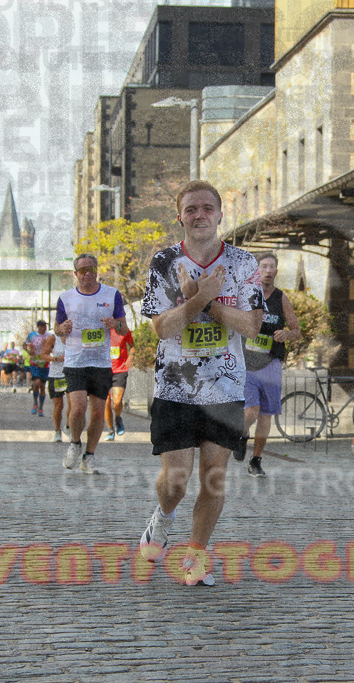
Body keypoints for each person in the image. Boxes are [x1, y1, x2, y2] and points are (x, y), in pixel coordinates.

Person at [138, 180, 264, 587]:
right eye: (191, 209)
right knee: (174, 481)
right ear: (180, 216)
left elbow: (252, 325)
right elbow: (161, 327)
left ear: (220, 214)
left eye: (207, 208)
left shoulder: (244, 264)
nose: (199, 215)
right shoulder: (163, 263)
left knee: (214, 475)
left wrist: (206, 301)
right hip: (175, 386)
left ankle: (196, 555)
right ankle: (163, 517)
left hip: (225, 387)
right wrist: (194, 301)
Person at [54, 255, 130, 474]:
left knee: (97, 413)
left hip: (100, 363)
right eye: (83, 270)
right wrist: (63, 329)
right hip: (75, 361)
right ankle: (75, 443)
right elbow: (57, 329)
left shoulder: (112, 294)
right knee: (78, 409)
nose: (87, 273)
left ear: (96, 271)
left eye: (91, 269)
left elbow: (123, 328)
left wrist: (114, 324)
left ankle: (89, 455)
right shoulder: (66, 298)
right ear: (76, 273)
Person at [233, 252, 301, 477]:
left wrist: (286, 334)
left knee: (265, 416)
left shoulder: (281, 298)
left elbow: (297, 331)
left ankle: (256, 460)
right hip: (247, 363)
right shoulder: (246, 295)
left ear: (277, 272)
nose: (268, 271)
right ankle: (243, 433)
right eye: (264, 267)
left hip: (270, 363)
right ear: (257, 270)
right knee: (251, 410)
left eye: (272, 267)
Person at [103, 326, 135, 441]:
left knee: (117, 401)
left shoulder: (123, 329)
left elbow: (132, 346)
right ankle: (110, 430)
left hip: (120, 370)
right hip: (104, 369)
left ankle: (118, 417)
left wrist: (131, 356)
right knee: (106, 402)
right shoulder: (102, 328)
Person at [40, 331, 70, 443]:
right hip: (57, 376)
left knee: (74, 404)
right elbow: (43, 355)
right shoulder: (54, 338)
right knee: (59, 405)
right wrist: (56, 359)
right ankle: (57, 430)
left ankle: (68, 427)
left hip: (72, 375)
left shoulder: (76, 336)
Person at [25, 321, 51, 416]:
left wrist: (47, 345)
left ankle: (40, 408)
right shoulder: (32, 335)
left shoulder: (49, 336)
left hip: (45, 364)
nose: (44, 328)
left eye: (45, 326)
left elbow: (52, 348)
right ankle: (35, 403)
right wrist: (29, 351)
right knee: (36, 383)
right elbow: (24, 345)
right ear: (38, 327)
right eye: (42, 326)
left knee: (43, 387)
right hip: (34, 363)